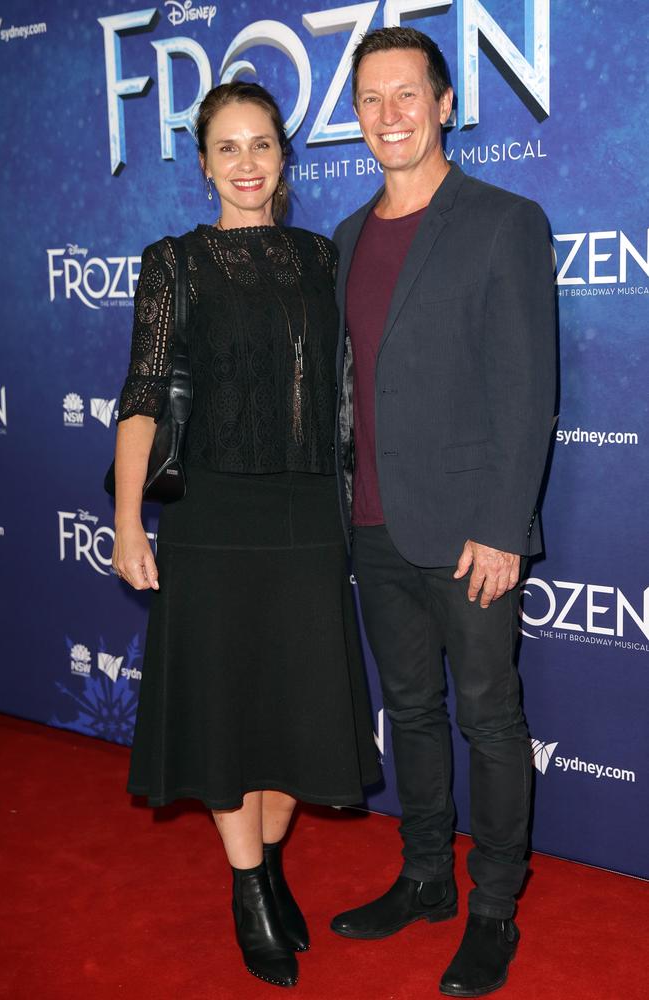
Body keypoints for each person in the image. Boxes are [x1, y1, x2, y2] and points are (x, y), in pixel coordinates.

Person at [111, 81, 380, 990]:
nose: (247, 163)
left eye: (262, 144)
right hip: (211, 513)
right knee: (228, 708)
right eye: (228, 147)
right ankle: (249, 886)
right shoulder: (173, 263)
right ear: (203, 163)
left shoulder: (319, 257)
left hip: (307, 510)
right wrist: (125, 522)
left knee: (296, 708)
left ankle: (263, 866)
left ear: (284, 156)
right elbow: (143, 396)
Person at [329, 27, 556, 998]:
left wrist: (503, 524)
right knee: (408, 711)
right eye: (370, 99)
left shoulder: (502, 220)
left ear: (444, 102)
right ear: (354, 117)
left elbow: (525, 385)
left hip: (469, 534)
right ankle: (423, 875)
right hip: (372, 526)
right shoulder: (343, 238)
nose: (389, 114)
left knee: (489, 720)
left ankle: (492, 905)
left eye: (405, 94)